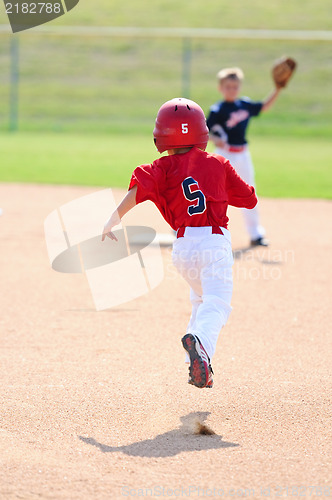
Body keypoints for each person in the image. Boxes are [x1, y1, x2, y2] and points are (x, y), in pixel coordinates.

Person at [102, 98, 257, 389]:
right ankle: (200, 344)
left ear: (160, 136)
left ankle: (197, 364)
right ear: (202, 132)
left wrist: (114, 216)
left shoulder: (161, 167)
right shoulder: (218, 164)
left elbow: (140, 187)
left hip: (183, 249)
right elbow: (249, 199)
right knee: (218, 303)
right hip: (213, 241)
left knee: (200, 299)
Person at [207, 67, 281, 246]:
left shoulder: (245, 105)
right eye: (228, 86)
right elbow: (205, 131)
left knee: (249, 192)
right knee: (215, 192)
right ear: (220, 88)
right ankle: (205, 230)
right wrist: (216, 139)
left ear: (239, 87)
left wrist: (278, 89)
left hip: (243, 155)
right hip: (224, 155)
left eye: (235, 86)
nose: (231, 89)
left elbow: (264, 107)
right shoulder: (217, 109)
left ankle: (256, 234)